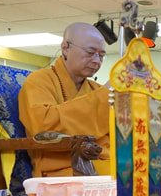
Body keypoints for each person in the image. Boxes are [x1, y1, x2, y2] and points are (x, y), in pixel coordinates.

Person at [18, 23, 111, 177]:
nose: (96, 61)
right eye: (90, 52)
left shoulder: (96, 89)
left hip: (100, 160)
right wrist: (106, 95)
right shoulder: (38, 81)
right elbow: (43, 126)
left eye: (101, 55)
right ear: (65, 48)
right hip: (61, 166)